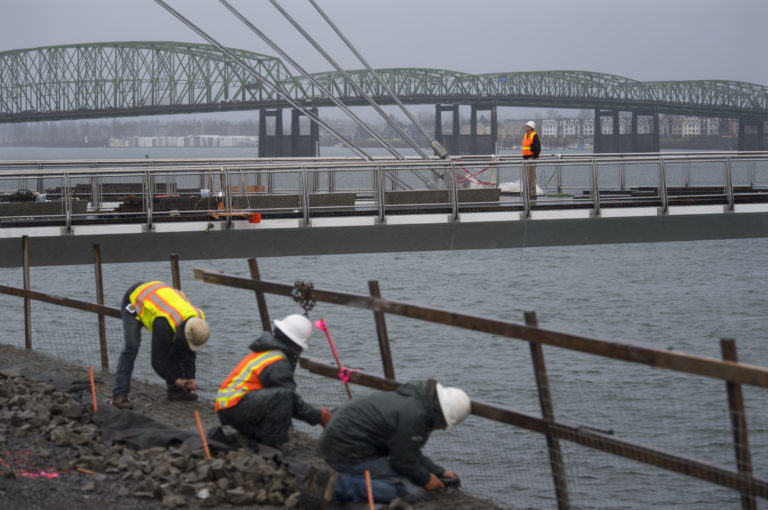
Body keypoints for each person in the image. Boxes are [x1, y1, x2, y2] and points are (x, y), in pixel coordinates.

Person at [311, 379, 471, 506]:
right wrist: (426, 479)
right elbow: (402, 460)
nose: (442, 429)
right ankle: (337, 486)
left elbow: (409, 451)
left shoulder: (416, 404)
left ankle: (341, 477)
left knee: (406, 477)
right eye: (444, 425)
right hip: (346, 450)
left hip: (343, 443)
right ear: (441, 416)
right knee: (410, 491)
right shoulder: (415, 418)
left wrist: (438, 472)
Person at [215, 314, 332, 448]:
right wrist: (319, 416)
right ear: (295, 345)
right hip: (236, 405)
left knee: (278, 397)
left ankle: (253, 439)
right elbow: (291, 399)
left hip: (230, 405)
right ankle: (271, 445)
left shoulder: (267, 353)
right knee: (283, 396)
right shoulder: (277, 361)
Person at [112, 281, 210, 409]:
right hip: (134, 300)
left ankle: (175, 392)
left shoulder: (197, 320)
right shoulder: (164, 325)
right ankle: (120, 395)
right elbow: (157, 362)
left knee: (178, 347)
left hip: (158, 297)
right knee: (132, 347)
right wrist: (177, 380)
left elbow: (189, 352)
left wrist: (191, 377)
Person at [522, 120, 541, 200]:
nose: (526, 127)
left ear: (531, 128)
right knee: (528, 177)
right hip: (526, 158)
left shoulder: (534, 135)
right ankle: (529, 192)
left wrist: (534, 157)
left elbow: (538, 148)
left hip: (531, 158)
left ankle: (533, 194)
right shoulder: (526, 135)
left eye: (527, 126)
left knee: (532, 177)